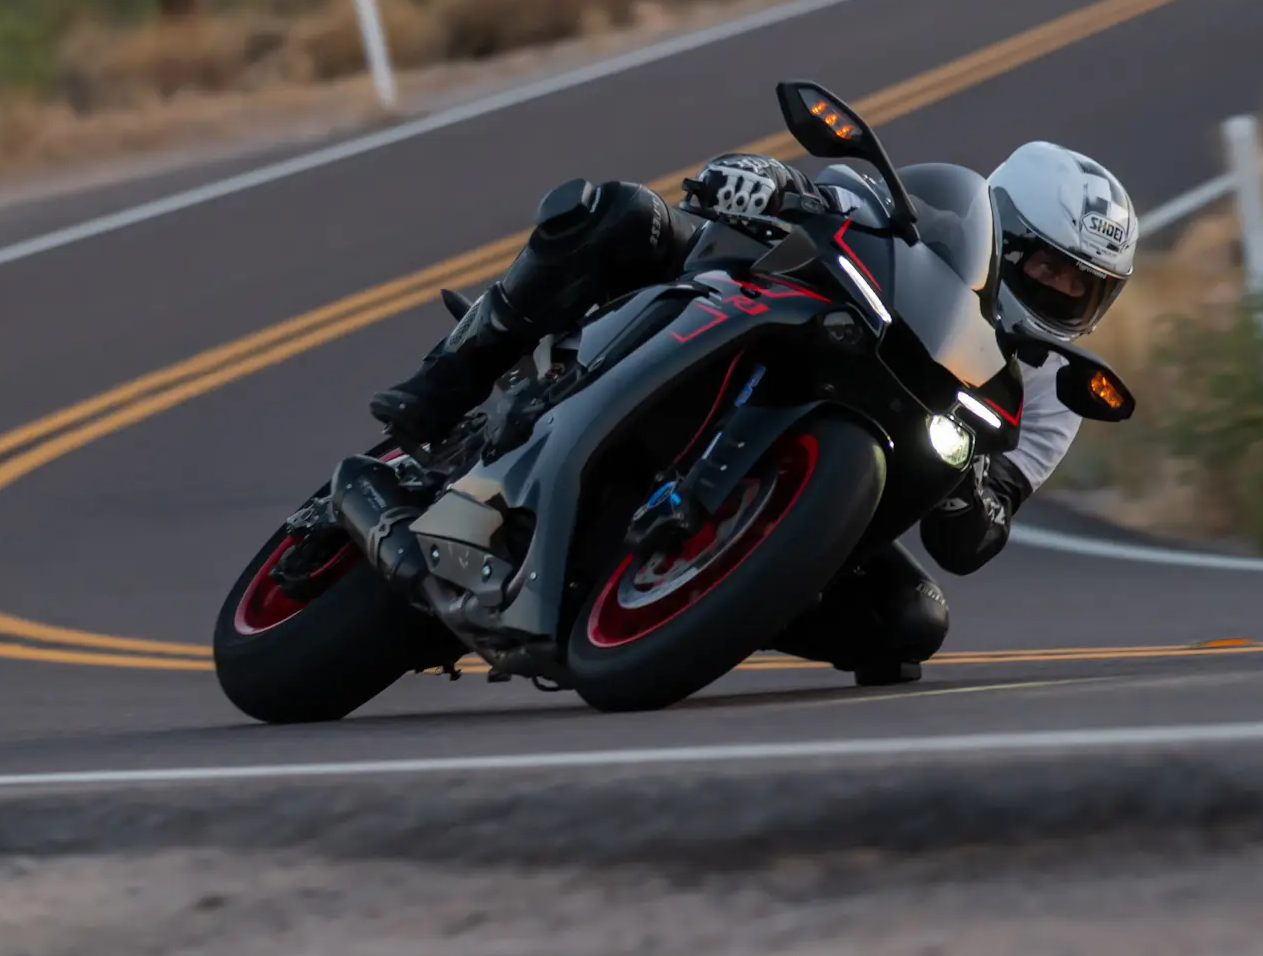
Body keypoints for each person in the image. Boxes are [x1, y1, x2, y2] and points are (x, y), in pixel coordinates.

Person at [368, 142, 1139, 683]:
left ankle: (702, 605)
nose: (1061, 291)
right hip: (758, 316)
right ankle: (443, 383)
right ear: (1006, 231)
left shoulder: (1052, 392)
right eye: (1048, 265)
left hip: (857, 462)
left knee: (909, 622)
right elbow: (833, 193)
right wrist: (763, 180)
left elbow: (973, 536)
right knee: (623, 213)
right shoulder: (936, 220)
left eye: (1084, 286)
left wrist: (970, 478)